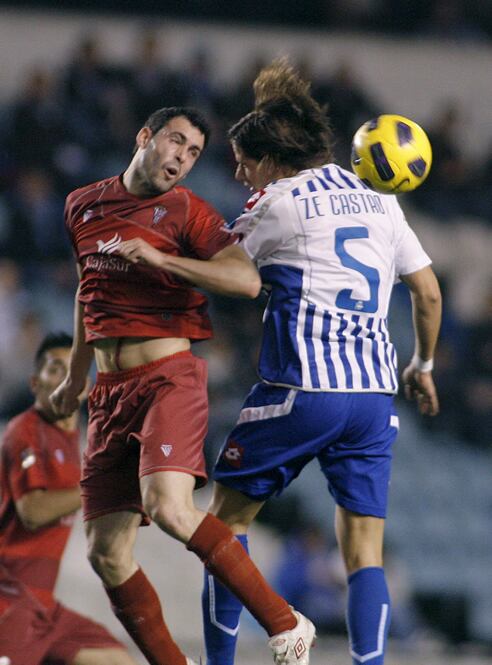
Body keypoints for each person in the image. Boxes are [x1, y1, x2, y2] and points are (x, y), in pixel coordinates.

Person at [195, 60, 441, 665]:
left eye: (244, 161)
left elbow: (227, 275)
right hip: (373, 398)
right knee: (364, 552)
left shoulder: (277, 203)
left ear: (272, 161)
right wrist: (424, 364)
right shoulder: (380, 201)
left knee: (221, 529)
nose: (238, 173)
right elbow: (428, 292)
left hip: (302, 387)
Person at [50, 106, 315, 665]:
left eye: (193, 153)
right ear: (145, 137)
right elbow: (86, 287)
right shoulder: (82, 203)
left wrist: (164, 260)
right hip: (108, 393)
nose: (181, 159)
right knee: (106, 552)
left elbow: (245, 280)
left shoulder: (187, 212)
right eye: (175, 142)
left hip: (168, 379)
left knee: (170, 508)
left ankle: (285, 623)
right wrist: (76, 373)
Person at [0, 332, 137, 665]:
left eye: (72, 370)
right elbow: (33, 510)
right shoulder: (25, 430)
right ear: (36, 383)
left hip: (44, 606)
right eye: (54, 369)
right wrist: (98, 485)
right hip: (8, 598)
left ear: (87, 386)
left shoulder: (75, 440)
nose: (65, 379)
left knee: (118, 660)